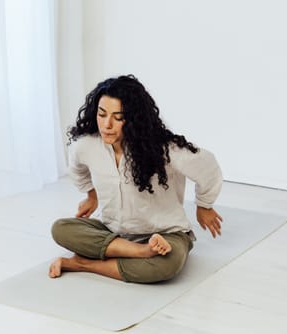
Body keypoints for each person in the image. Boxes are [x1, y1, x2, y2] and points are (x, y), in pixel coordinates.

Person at [49, 75, 223, 283]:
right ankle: (140, 252)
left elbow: (207, 164)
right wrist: (91, 195)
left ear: (134, 118)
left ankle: (82, 263)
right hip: (112, 231)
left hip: (165, 234)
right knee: (61, 229)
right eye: (102, 114)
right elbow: (76, 166)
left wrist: (204, 205)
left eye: (118, 117)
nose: (107, 125)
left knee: (168, 263)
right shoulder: (86, 145)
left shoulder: (164, 149)